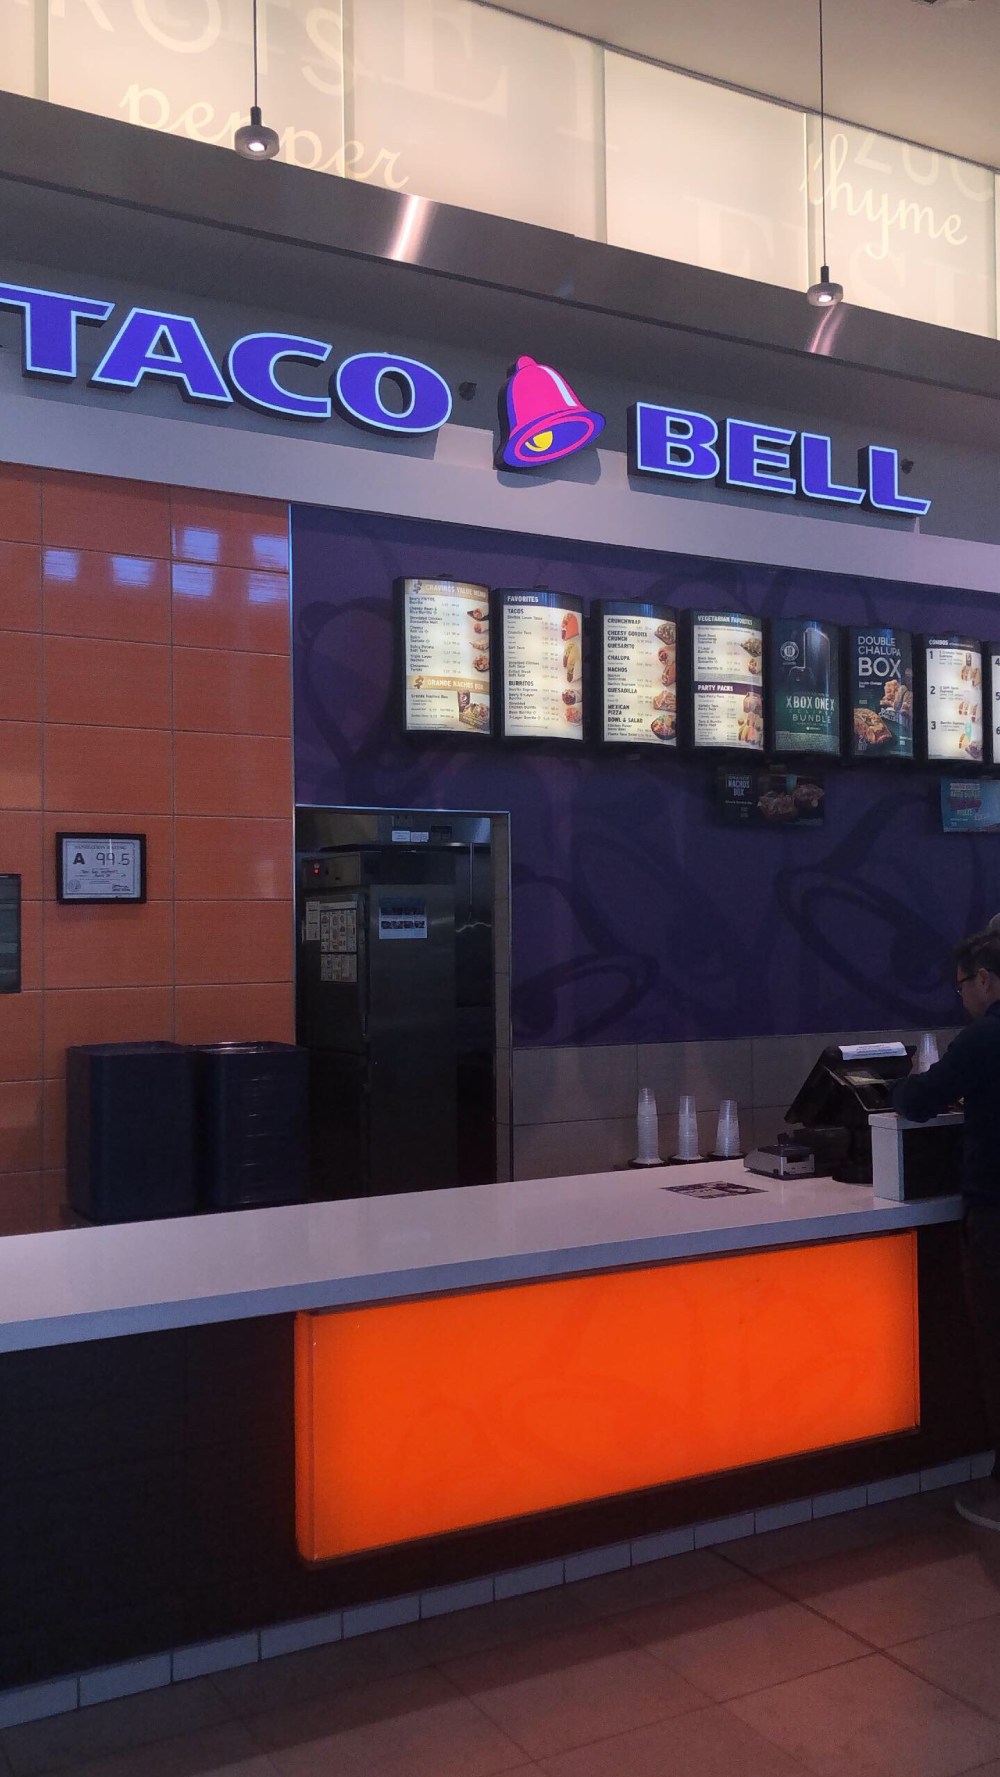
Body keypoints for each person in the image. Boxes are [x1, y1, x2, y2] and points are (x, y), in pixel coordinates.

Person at [893, 929, 1000, 1529]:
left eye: (962, 986)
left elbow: (920, 1101)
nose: (962, 998)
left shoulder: (983, 1039)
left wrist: (899, 1082)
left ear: (984, 979)